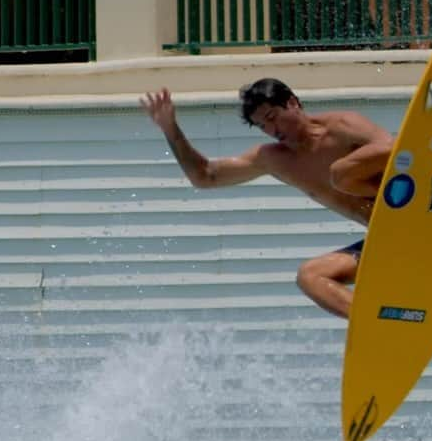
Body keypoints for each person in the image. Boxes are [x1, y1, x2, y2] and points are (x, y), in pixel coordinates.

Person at [141, 79, 393, 319]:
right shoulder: (273, 159)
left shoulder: (342, 125)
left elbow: (396, 150)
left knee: (340, 174)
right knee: (310, 276)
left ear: (292, 103)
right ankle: (376, 320)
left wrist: (350, 173)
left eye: (272, 117)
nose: (272, 131)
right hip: (387, 239)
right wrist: (171, 130)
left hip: (411, 209)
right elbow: (205, 176)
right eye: (262, 126)